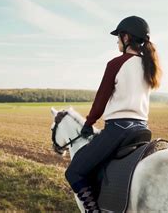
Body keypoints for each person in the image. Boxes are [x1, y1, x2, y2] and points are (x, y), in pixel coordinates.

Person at [65, 15, 162, 212]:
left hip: (118, 130)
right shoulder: (149, 66)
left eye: (118, 37)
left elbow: (100, 100)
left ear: (126, 38)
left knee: (74, 171)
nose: (117, 41)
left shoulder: (116, 64)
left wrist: (88, 123)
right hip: (142, 129)